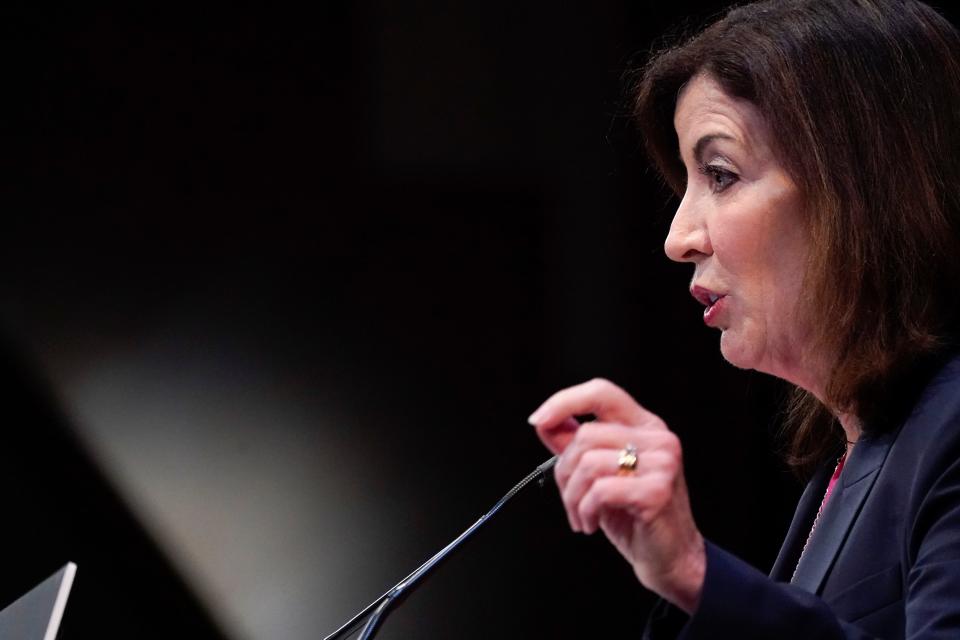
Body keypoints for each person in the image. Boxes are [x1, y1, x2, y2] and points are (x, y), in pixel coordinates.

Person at [528, 1, 960, 637]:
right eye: (686, 184)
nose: (679, 237)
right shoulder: (854, 456)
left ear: (861, 189)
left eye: (721, 174)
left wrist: (696, 572)